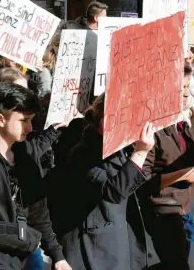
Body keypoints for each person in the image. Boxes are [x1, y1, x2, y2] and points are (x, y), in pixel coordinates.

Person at [0, 82, 71, 270]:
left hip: (24, 254)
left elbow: (38, 211)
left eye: (31, 120)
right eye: (24, 120)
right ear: (0, 119)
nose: (30, 128)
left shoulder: (25, 154)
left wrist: (57, 255)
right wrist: (25, 235)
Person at [48, 93, 154, 270]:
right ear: (106, 120)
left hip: (114, 240)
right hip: (94, 248)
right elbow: (114, 191)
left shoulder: (116, 146)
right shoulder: (84, 151)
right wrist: (141, 152)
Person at [138, 65, 194, 270]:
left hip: (182, 205)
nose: (186, 92)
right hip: (161, 209)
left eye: (187, 86)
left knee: (175, 263)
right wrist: (184, 174)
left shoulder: (180, 120)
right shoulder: (150, 128)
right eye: (181, 87)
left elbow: (188, 159)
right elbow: (142, 182)